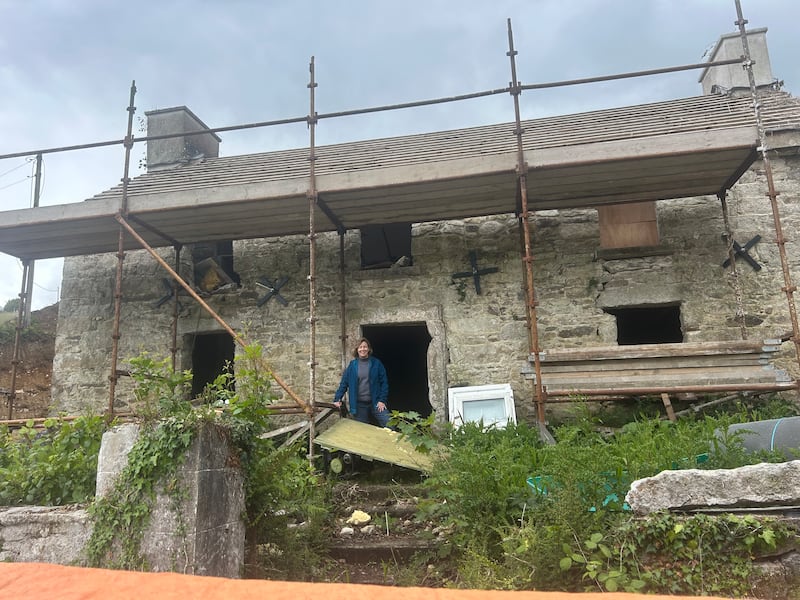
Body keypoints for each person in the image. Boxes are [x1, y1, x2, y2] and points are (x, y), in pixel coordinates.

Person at [333, 337, 391, 428]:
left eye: (365, 347)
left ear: (368, 349)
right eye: (360, 347)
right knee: (362, 429)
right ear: (357, 350)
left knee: (389, 424)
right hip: (359, 404)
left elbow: (384, 383)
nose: (363, 349)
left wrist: (382, 400)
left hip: (376, 402)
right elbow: (344, 383)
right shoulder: (352, 366)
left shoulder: (376, 363)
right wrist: (337, 399)